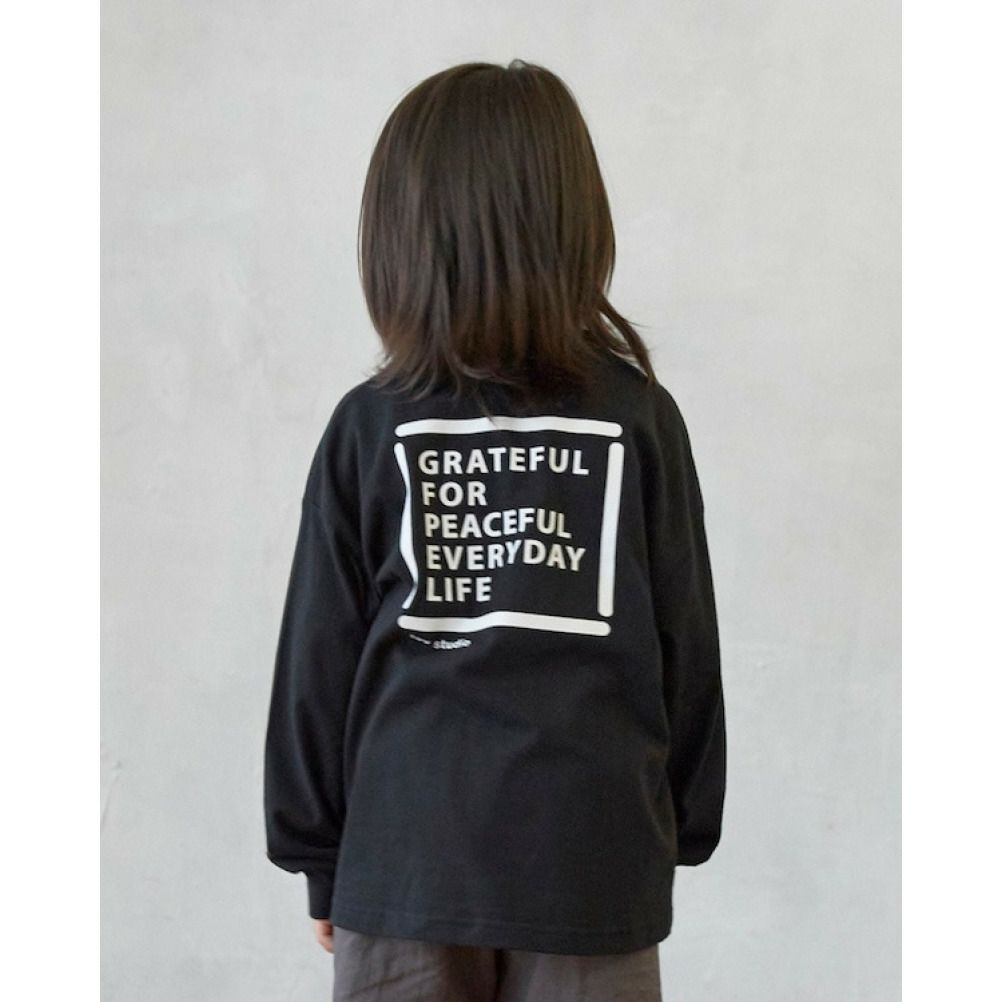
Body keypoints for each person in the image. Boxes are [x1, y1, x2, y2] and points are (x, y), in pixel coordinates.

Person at [263, 58, 726, 1002]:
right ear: (576, 226)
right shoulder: (637, 417)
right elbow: (686, 643)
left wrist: (320, 854)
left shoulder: (371, 425)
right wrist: (676, 824)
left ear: (400, 237)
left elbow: (319, 657)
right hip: (593, 860)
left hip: (407, 862)